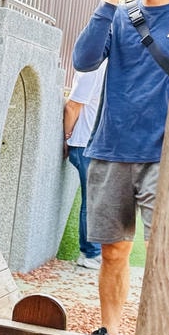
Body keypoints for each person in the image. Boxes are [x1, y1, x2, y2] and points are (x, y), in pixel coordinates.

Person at [73, 0, 169, 335]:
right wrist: (107, 3)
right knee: (112, 251)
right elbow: (84, 60)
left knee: (165, 253)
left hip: (167, 154)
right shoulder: (120, 14)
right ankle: (110, 330)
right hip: (112, 149)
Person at [62, 62, 107, 270]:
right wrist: (67, 137)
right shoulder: (93, 67)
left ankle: (92, 252)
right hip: (83, 144)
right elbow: (72, 106)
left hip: (94, 144)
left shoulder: (106, 65)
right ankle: (90, 253)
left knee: (96, 199)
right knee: (92, 200)